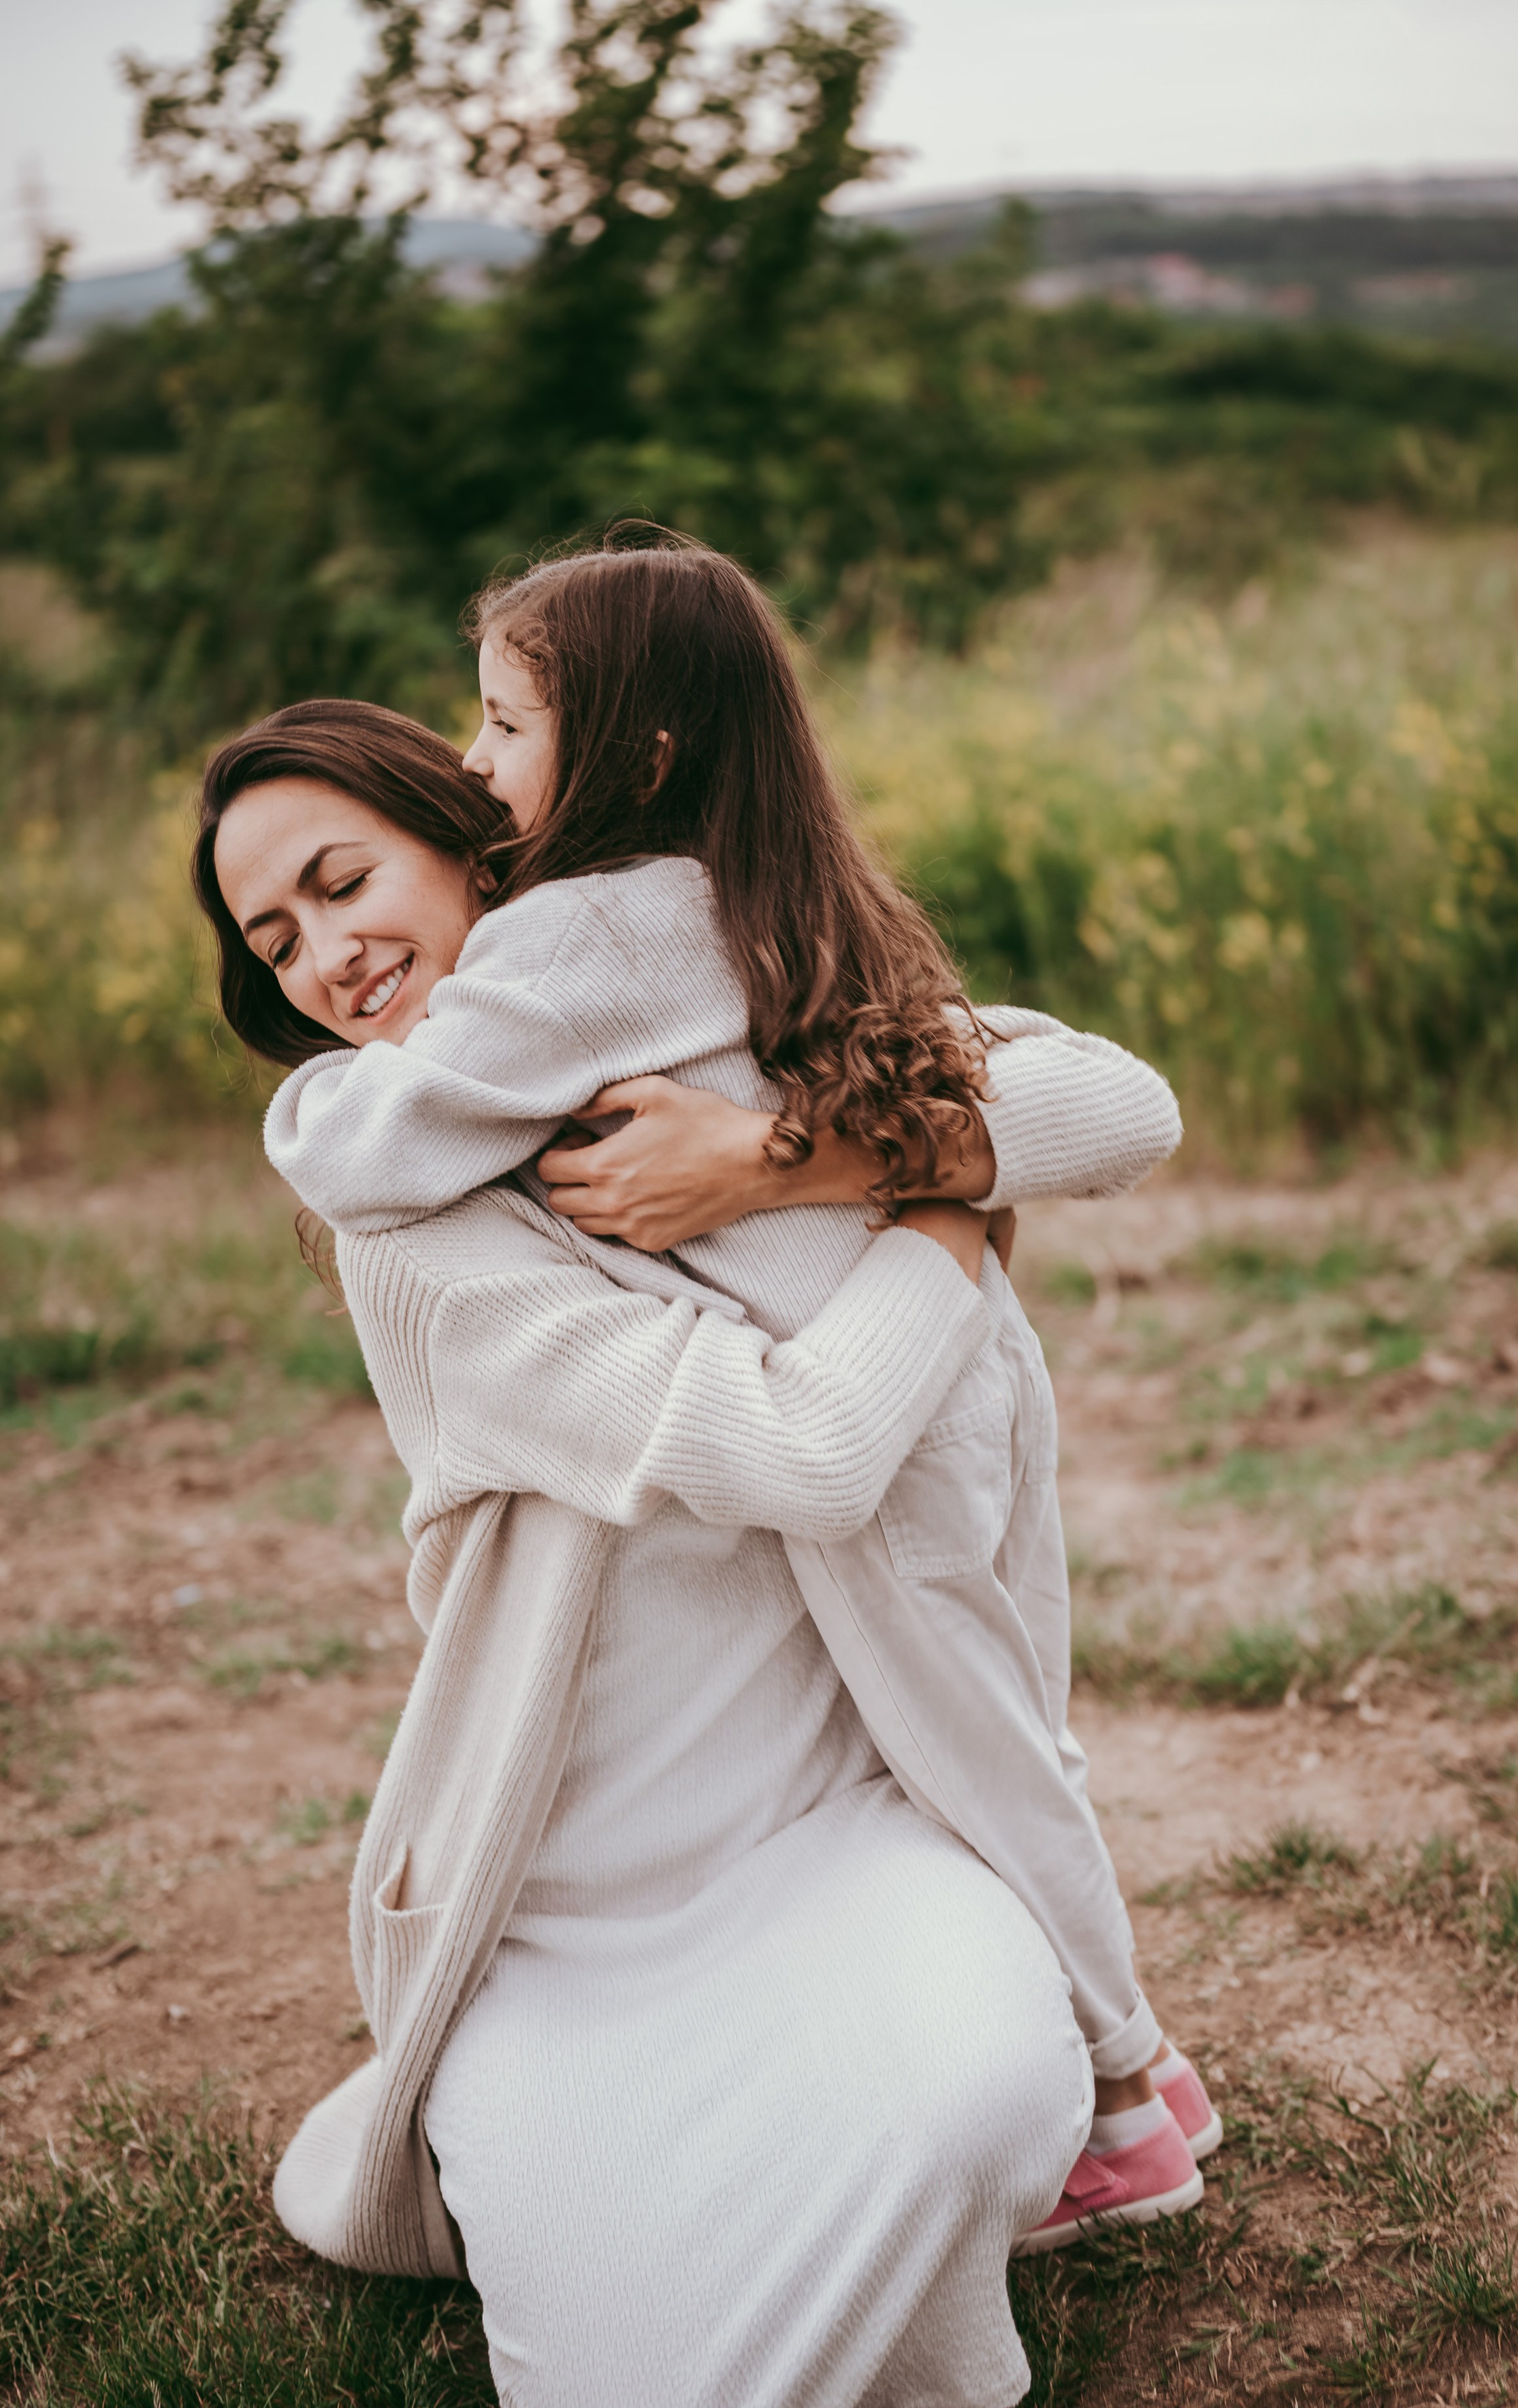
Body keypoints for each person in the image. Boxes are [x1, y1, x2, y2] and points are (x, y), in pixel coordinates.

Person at [192, 701, 1185, 2408]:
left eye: (341, 881)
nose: (325, 954)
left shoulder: (710, 1037)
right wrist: (945, 1226)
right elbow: (805, 1449)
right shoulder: (413, 1237)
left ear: (472, 847)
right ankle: (542, 2159)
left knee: (992, 2097)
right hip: (572, 1912)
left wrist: (784, 1158)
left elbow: (1112, 1106)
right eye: (276, 940)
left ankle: (899, 2188)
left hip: (835, 1835)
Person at [253, 538, 1220, 2245]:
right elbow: (1065, 1094)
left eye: (503, 724)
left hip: (878, 1421)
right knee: (1013, 1721)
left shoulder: (570, 940)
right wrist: (884, 1172)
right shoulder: (765, 913)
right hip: (972, 1379)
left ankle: (1124, 2088)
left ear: (633, 756)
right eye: (276, 935)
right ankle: (1133, 2066)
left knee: (978, 1750)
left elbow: (386, 1135)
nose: (472, 760)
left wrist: (303, 1111)